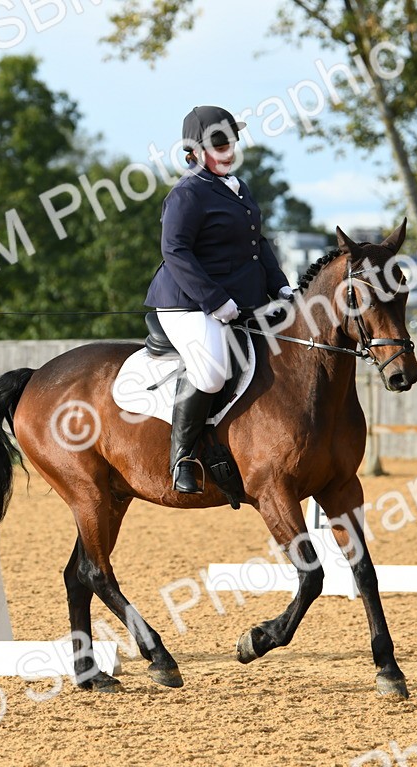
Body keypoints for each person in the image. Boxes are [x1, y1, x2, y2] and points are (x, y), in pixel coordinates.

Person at [145, 105, 293, 493]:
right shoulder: (187, 193)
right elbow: (175, 251)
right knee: (210, 371)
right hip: (188, 302)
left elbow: (257, 245)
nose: (229, 149)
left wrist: (280, 287)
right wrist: (214, 301)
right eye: (219, 142)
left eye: (231, 141)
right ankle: (182, 457)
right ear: (193, 150)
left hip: (238, 301)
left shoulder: (239, 188)